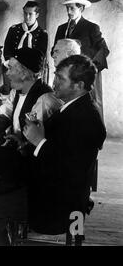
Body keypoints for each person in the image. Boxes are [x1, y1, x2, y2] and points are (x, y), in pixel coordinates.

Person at [0, 47, 62, 246]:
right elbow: (4, 117)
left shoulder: (44, 100)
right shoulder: (17, 91)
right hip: (17, 164)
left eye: (11, 68)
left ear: (24, 72)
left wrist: (19, 141)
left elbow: (33, 141)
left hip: (30, 176)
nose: (7, 72)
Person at [23, 54, 106, 234]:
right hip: (47, 191)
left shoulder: (87, 119)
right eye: (55, 76)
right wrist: (30, 140)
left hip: (56, 206)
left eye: (60, 79)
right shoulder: (72, 108)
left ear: (79, 85)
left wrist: (39, 141)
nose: (54, 83)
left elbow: (70, 171)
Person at [53, 0, 109, 119]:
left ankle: (97, 132)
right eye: (67, 8)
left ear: (81, 8)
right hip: (67, 74)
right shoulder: (61, 29)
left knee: (93, 103)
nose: (69, 11)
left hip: (87, 74)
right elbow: (54, 50)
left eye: (72, 8)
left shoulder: (91, 28)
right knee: (66, 102)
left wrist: (91, 69)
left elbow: (104, 50)